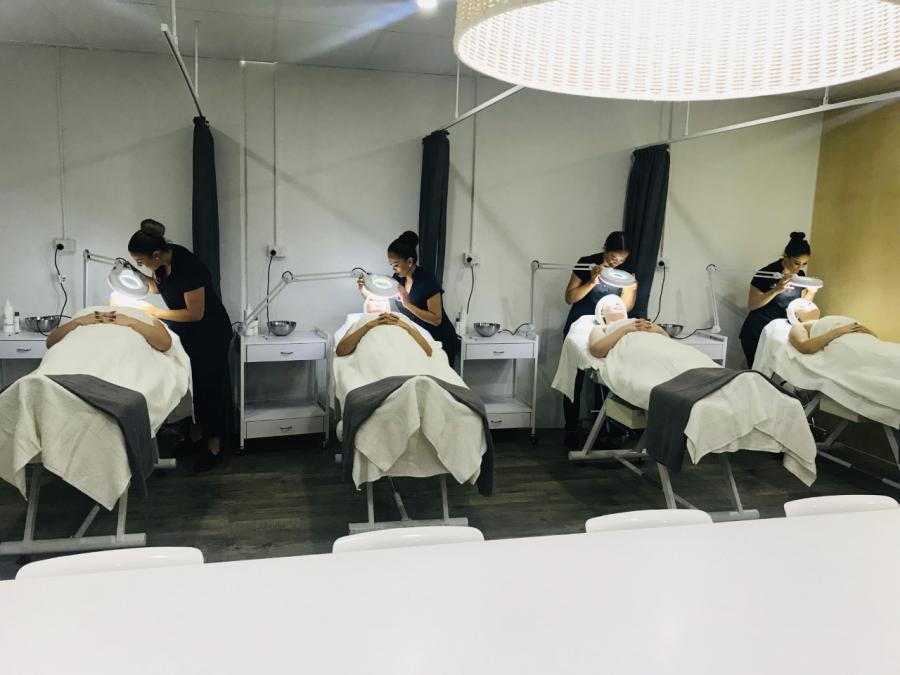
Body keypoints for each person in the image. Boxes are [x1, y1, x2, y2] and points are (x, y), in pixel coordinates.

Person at [126, 219, 233, 472]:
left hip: (210, 334)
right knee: (191, 386)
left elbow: (195, 313)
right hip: (188, 333)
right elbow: (158, 287)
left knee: (211, 388)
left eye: (141, 261)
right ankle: (196, 438)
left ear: (156, 254)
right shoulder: (162, 263)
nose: (141, 265)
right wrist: (136, 276)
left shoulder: (189, 267)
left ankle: (215, 447)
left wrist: (155, 313)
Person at [562, 230, 637, 448]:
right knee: (574, 380)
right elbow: (570, 297)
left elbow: (626, 307)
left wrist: (632, 289)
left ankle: (603, 429)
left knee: (605, 378)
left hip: (606, 330)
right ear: (605, 249)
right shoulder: (587, 263)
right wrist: (592, 282)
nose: (616, 262)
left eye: (621, 260)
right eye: (613, 257)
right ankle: (571, 429)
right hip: (580, 326)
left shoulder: (626, 272)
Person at [357, 231, 459, 366]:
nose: (393, 270)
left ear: (409, 262)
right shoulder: (398, 279)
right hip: (420, 338)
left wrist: (408, 305)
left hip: (441, 340)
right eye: (391, 266)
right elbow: (377, 298)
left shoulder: (427, 280)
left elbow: (436, 319)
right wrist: (364, 288)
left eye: (396, 265)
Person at [739, 231, 818, 368]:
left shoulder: (799, 275)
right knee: (757, 371)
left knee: (775, 372)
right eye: (797, 263)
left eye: (804, 264)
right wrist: (776, 290)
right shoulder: (766, 274)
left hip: (779, 333)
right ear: (785, 256)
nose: (799, 268)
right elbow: (752, 304)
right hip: (757, 331)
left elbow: (801, 307)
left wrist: (812, 292)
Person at [46, 309, 172, 352]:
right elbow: (50, 343)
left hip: (123, 353)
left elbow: (165, 344)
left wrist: (132, 321)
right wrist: (77, 321)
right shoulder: (85, 313)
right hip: (81, 352)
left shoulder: (144, 315)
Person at [786, 300, 877, 354]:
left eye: (810, 302)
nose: (810, 302)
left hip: (868, 342)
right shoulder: (798, 326)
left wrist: (871, 334)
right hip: (849, 345)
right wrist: (838, 331)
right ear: (796, 316)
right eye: (802, 305)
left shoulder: (823, 320)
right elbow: (805, 347)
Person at [336, 312, 432, 357]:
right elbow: (341, 351)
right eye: (372, 300)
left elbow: (428, 351)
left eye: (384, 301)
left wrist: (406, 327)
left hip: (407, 357)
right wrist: (368, 326)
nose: (379, 302)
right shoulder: (360, 321)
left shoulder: (403, 318)